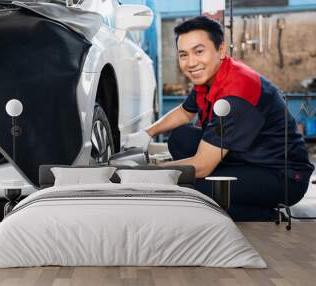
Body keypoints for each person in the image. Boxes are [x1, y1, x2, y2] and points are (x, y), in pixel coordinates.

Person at [125, 16, 314, 221]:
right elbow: (185, 112)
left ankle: (264, 214)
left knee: (189, 188)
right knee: (181, 137)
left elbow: (202, 166)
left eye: (199, 51)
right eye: (183, 55)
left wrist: (151, 172)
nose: (191, 63)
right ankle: (235, 194)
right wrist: (147, 132)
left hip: (282, 176)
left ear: (221, 50)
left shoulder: (237, 93)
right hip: (248, 156)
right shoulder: (213, 76)